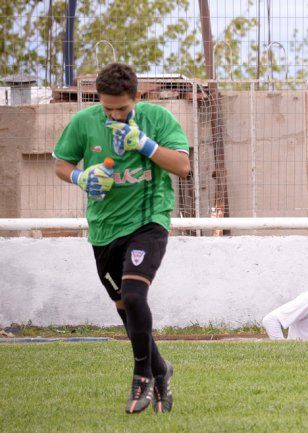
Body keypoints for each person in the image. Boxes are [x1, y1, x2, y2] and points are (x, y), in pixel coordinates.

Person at [53, 63, 190, 413]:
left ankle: (142, 376)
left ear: (136, 97)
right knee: (124, 307)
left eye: (122, 109)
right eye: (108, 109)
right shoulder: (84, 122)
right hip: (104, 229)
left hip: (148, 221)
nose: (114, 115)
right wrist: (82, 177)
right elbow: (60, 164)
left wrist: (145, 145)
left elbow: (182, 166)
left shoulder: (157, 119)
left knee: (133, 293)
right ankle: (161, 369)